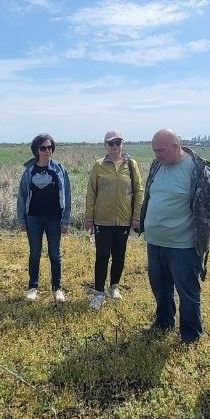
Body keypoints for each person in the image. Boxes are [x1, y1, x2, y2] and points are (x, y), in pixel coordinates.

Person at [137, 129, 210, 344]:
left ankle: (191, 335)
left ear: (177, 147)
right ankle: (164, 322)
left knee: (187, 292)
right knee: (160, 288)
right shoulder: (157, 166)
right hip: (155, 241)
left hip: (183, 245)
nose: (157, 154)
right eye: (155, 150)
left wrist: (201, 228)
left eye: (161, 150)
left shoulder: (199, 170)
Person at [84, 130, 144, 310]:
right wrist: (89, 217)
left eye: (118, 142)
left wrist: (136, 217)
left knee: (119, 255)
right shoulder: (98, 165)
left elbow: (139, 192)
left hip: (124, 221)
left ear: (122, 144)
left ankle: (114, 286)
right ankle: (99, 292)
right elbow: (91, 193)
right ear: (105, 146)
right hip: (102, 220)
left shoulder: (131, 165)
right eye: (111, 143)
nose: (115, 146)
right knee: (102, 256)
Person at [16, 133, 71, 302]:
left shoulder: (60, 170)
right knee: (35, 253)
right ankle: (33, 287)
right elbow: (22, 196)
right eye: (43, 148)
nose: (47, 151)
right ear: (36, 150)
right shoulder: (29, 171)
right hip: (34, 218)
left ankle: (57, 288)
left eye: (50, 147)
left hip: (54, 219)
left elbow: (67, 195)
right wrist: (21, 220)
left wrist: (66, 220)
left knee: (55, 254)